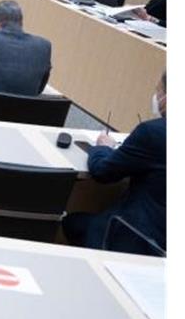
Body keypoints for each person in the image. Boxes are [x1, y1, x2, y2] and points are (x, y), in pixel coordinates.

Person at [62, 72, 166, 254]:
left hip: (138, 236)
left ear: (166, 97)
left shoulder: (152, 132)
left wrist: (102, 147)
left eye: (158, 91)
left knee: (72, 222)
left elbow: (103, 172)